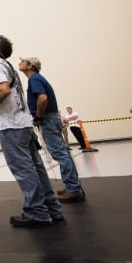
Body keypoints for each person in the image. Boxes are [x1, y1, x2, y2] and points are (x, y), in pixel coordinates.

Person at [0, 35, 64, 228]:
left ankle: (37, 213)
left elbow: (3, 90)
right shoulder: (7, 66)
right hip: (24, 123)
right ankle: (52, 209)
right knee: (37, 167)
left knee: (23, 170)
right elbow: (8, 93)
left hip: (11, 126)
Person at [19, 57, 85, 203]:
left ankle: (74, 189)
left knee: (60, 154)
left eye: (22, 61)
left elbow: (42, 98)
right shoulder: (38, 78)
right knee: (64, 153)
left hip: (47, 118)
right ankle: (74, 186)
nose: (20, 63)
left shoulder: (34, 79)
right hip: (52, 117)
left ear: (30, 65)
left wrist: (38, 116)